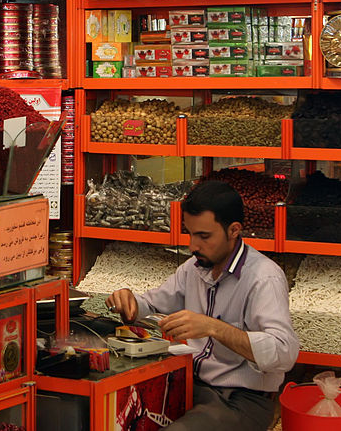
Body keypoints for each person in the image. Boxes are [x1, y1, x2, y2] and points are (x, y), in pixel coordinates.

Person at [106, 180, 299, 431]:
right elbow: (151, 304)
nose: (192, 246)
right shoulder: (193, 269)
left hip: (241, 400)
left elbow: (284, 353)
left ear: (234, 230)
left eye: (204, 236)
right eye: (190, 234)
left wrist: (214, 328)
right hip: (192, 385)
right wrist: (128, 303)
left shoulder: (263, 278)